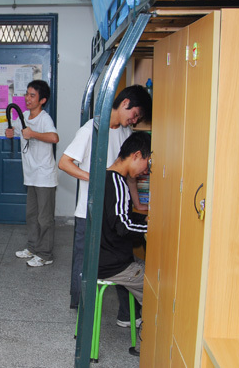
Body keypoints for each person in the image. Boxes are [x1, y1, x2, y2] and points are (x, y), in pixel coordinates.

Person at [58, 85, 151, 324]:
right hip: (90, 211)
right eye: (135, 114)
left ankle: (127, 315)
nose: (134, 120)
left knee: (122, 257)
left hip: (114, 211)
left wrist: (138, 204)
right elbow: (65, 163)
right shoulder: (92, 129)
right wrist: (98, 179)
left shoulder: (126, 134)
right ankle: (82, 310)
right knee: (84, 261)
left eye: (138, 119)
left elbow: (130, 174)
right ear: (125, 103)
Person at [99, 131, 150, 355]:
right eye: (147, 163)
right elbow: (123, 226)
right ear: (136, 155)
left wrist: (143, 219)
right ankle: (148, 345)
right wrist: (153, 229)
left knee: (148, 267)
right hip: (113, 264)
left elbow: (121, 216)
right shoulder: (117, 182)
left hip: (104, 256)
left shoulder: (106, 177)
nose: (146, 171)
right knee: (161, 287)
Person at [5, 80, 59, 267]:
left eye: (32, 95)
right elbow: (14, 130)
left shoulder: (44, 118)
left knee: (44, 219)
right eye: (27, 94)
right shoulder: (24, 115)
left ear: (42, 100)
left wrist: (33, 134)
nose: (27, 98)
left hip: (44, 176)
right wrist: (10, 133)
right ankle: (33, 247)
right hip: (31, 175)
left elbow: (54, 137)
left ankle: (45, 255)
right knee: (32, 215)